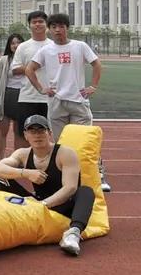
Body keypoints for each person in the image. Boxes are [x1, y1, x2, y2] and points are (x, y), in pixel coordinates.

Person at [0, 114, 95, 256]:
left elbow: (70, 188)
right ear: (26, 135)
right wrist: (26, 173)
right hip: (38, 204)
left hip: (62, 206)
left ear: (49, 133)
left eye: (41, 130)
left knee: (86, 191)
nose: (37, 135)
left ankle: (73, 234)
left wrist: (42, 205)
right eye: (32, 131)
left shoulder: (65, 153)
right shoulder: (22, 154)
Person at [26, 13, 106, 190]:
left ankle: (97, 174)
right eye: (54, 27)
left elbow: (96, 64)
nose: (57, 30)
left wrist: (93, 86)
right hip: (56, 102)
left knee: (85, 141)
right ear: (49, 29)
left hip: (78, 101)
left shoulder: (80, 46)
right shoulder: (46, 50)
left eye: (61, 26)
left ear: (67, 28)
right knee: (61, 143)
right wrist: (41, 88)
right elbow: (30, 69)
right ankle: (66, 177)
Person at [11, 10, 53, 143]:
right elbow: (15, 69)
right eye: (34, 22)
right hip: (27, 97)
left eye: (41, 21)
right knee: (24, 134)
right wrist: (33, 67)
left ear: (46, 24)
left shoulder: (53, 46)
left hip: (50, 98)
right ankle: (24, 156)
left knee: (49, 134)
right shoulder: (23, 47)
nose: (37, 24)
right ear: (29, 25)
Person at [0, 33, 25, 161]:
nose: (16, 45)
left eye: (18, 42)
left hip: (23, 96)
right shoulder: (3, 61)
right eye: (13, 43)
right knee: (3, 129)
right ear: (9, 46)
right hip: (7, 96)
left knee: (18, 131)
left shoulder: (28, 59)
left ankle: (17, 158)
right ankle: (2, 158)